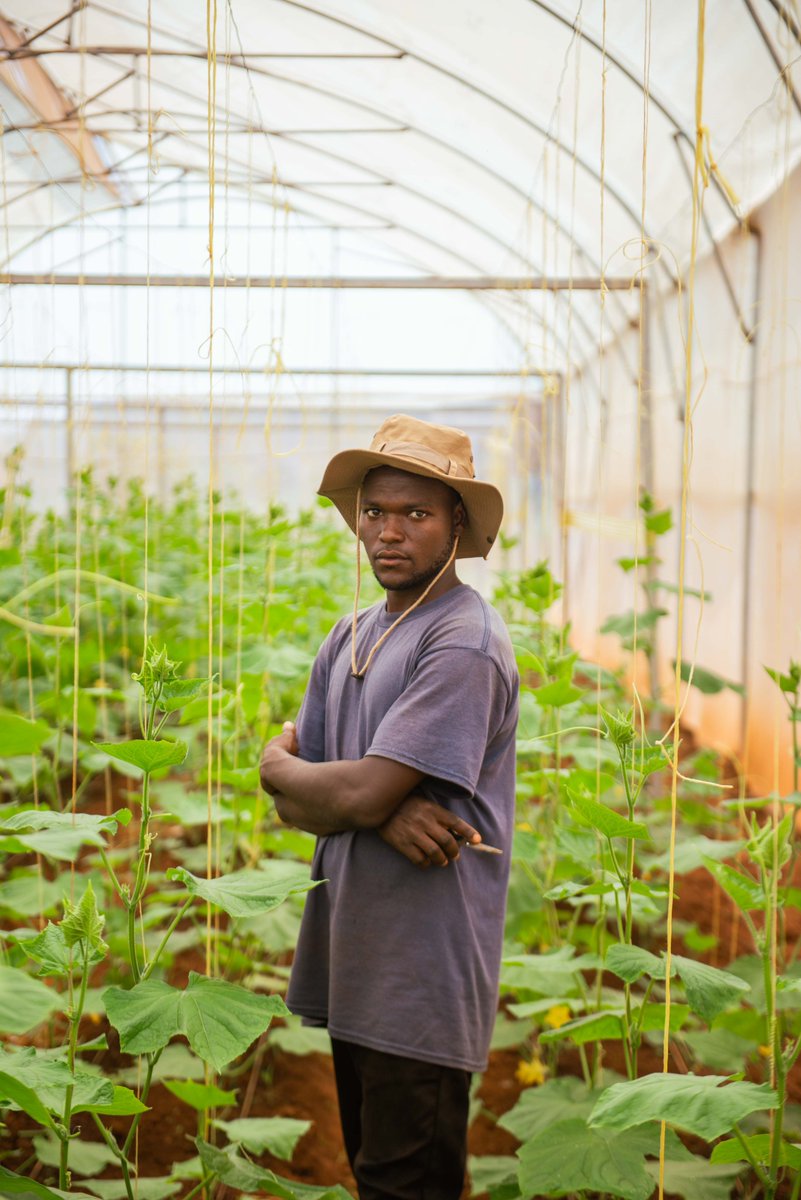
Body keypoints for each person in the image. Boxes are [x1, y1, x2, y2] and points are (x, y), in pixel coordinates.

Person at [259, 414, 519, 1200]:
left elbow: (331, 786)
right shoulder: (351, 633)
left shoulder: (462, 640)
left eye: (416, 514)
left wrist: (285, 768)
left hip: (422, 977)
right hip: (356, 961)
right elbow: (297, 808)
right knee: (378, 1174)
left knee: (405, 1183)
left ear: (456, 526)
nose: (388, 532)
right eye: (375, 512)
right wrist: (365, 800)